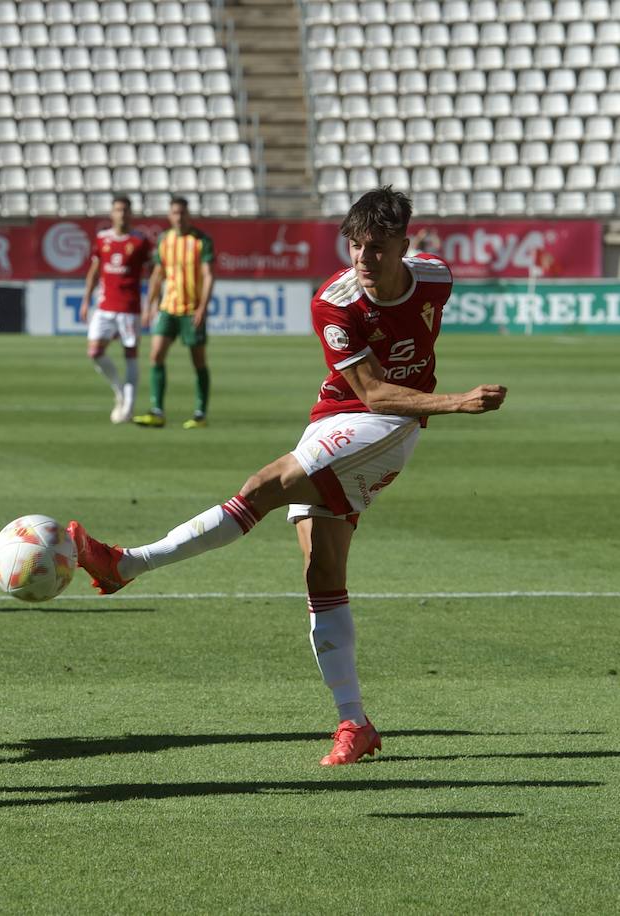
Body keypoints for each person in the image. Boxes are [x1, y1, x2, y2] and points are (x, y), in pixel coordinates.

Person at [69, 187, 508, 766]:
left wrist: (432, 404)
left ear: (406, 244)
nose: (362, 259)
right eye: (354, 245)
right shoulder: (336, 301)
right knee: (320, 570)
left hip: (390, 428)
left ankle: (127, 564)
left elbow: (387, 401)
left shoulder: (435, 277)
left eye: (377, 247)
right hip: (343, 413)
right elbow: (370, 389)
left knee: (263, 487)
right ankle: (355, 722)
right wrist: (459, 402)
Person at [134, 196, 216, 429]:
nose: (179, 217)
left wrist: (202, 306)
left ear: (188, 215)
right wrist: (149, 305)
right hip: (168, 308)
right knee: (156, 355)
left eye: (182, 213)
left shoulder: (201, 241)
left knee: (198, 361)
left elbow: (209, 275)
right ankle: (157, 411)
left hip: (192, 311)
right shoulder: (164, 240)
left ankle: (200, 414)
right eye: (175, 213)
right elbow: (158, 274)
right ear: (170, 216)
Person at [79, 195, 150, 423]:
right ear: (112, 213)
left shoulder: (140, 241)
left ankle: (128, 407)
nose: (122, 214)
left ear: (131, 213)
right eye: (118, 210)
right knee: (95, 352)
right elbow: (95, 271)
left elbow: (154, 272)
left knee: (130, 355)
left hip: (130, 308)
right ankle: (119, 391)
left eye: (126, 210)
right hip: (104, 306)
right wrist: (86, 299)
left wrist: (153, 302)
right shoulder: (102, 239)